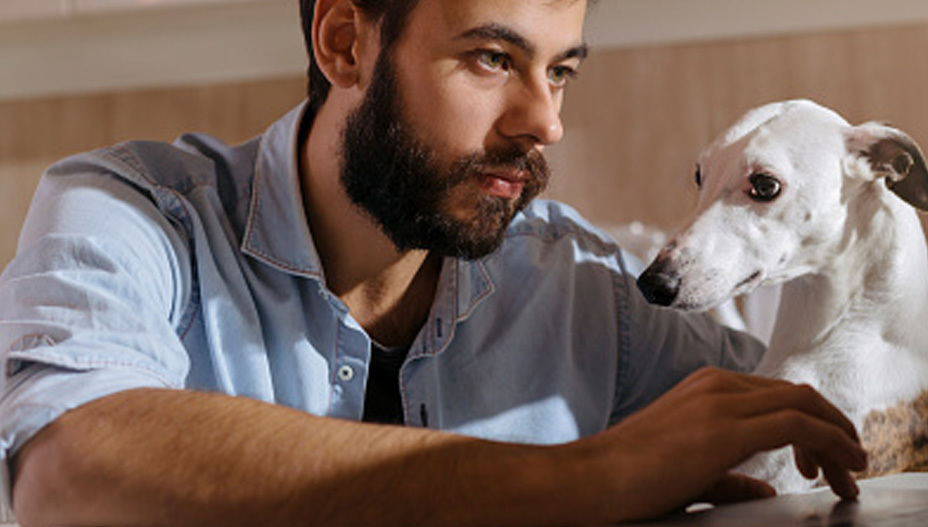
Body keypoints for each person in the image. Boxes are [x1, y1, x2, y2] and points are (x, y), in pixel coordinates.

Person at [0, 0, 868, 525]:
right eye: (492, 59)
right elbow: (71, 468)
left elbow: (832, 436)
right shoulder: (132, 212)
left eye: (558, 71)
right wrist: (589, 479)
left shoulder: (586, 292)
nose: (545, 121)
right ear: (344, 43)